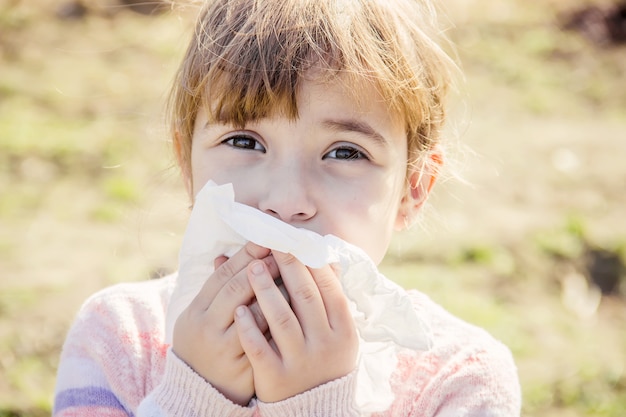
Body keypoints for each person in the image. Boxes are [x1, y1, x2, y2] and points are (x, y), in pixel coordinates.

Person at [53, 0, 522, 416]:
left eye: (344, 152)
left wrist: (315, 405)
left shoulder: (460, 379)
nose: (285, 203)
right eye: (243, 141)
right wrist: (194, 397)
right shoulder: (118, 339)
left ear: (412, 189)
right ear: (187, 166)